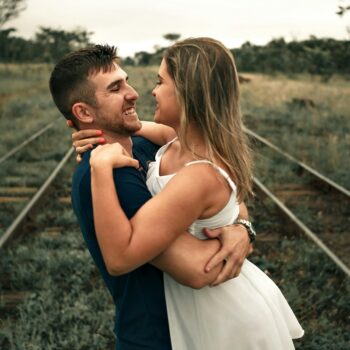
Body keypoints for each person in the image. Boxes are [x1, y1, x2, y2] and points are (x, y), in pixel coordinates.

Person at [88, 37, 304, 349]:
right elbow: (133, 127)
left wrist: (99, 167)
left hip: (224, 317)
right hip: (202, 309)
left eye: (160, 81)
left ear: (188, 92)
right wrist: (94, 130)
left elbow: (121, 258)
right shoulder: (177, 140)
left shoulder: (199, 175)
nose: (151, 91)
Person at [49, 44, 253, 350]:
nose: (134, 93)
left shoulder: (147, 150)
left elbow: (222, 192)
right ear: (83, 112)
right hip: (158, 337)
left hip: (196, 328)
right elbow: (201, 268)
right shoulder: (113, 177)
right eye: (116, 88)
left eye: (127, 81)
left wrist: (242, 229)